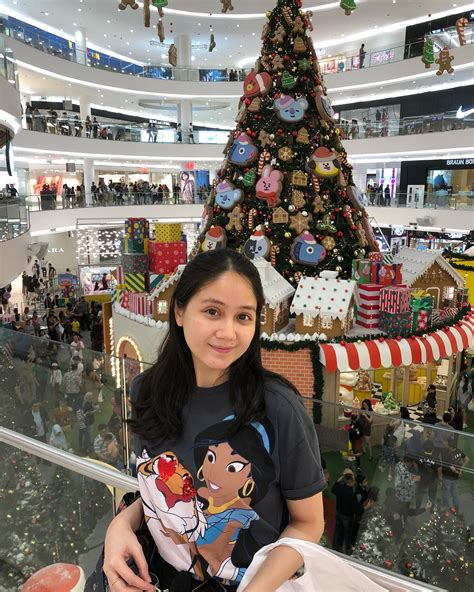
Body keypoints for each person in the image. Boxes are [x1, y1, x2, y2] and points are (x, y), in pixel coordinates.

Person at [102, 249, 326, 591]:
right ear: (179, 311)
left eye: (243, 317)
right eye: (212, 312)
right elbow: (156, 490)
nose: (228, 332)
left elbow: (308, 523)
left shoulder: (278, 408)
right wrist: (120, 524)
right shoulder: (147, 391)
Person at [331, 470, 361, 555]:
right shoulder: (351, 494)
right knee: (347, 534)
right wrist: (364, 508)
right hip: (347, 517)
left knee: (338, 530)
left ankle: (335, 547)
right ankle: (346, 550)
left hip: (338, 512)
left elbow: (333, 490)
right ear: (352, 482)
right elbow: (356, 510)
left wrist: (340, 479)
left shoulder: (340, 488)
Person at [439, 436, 469, 511]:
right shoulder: (458, 450)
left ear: (450, 447)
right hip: (456, 477)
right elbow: (467, 459)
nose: (446, 445)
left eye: (447, 444)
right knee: (455, 493)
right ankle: (456, 507)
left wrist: (458, 472)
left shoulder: (446, 453)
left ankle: (445, 507)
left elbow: (452, 469)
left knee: (446, 493)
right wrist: (461, 469)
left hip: (447, 477)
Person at [394, 456, 420, 524]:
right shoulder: (404, 472)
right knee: (404, 509)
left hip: (398, 491)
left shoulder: (399, 464)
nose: (412, 465)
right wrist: (415, 479)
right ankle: (402, 521)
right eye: (412, 464)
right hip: (404, 494)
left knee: (399, 507)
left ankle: (400, 518)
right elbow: (408, 484)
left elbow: (407, 476)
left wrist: (412, 476)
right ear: (408, 463)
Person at [415, 441, 439, 511]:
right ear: (433, 449)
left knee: (420, 494)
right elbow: (439, 470)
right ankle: (431, 510)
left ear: (423, 448)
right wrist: (439, 479)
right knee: (432, 496)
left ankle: (417, 509)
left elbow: (416, 465)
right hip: (433, 480)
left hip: (422, 478)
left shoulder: (419, 456)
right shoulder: (436, 458)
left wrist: (418, 472)